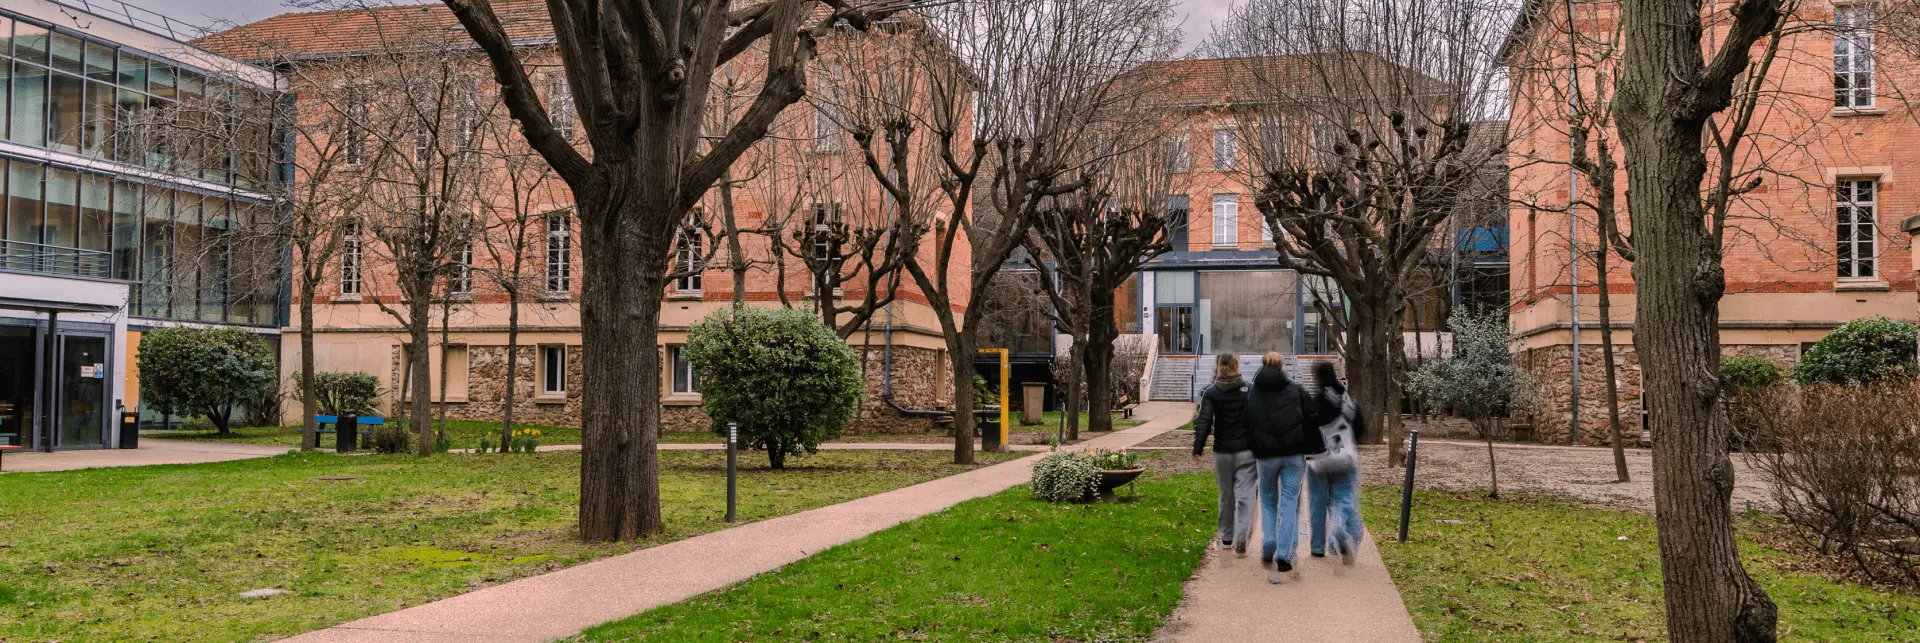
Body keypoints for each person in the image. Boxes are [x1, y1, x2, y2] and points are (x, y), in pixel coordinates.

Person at [1245, 352, 1322, 582]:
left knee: (1268, 500)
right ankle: (1285, 555)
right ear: (1282, 367)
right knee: (1289, 503)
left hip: (1266, 455)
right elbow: (1312, 416)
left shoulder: (1254, 392)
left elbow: (1246, 420)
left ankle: (1269, 544)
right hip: (1293, 454)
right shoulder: (1296, 390)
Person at [1193, 353, 1255, 557]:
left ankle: (1226, 538)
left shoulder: (1212, 392)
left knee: (1226, 494)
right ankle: (1241, 538)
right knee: (1245, 495)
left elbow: (1204, 421)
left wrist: (1198, 447)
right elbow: (1257, 418)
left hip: (1222, 451)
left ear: (1219, 367)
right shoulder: (1248, 389)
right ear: (1237, 367)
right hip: (1246, 450)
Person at [1306, 361, 1367, 566]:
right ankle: (1338, 531)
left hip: (1319, 460)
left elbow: (1306, 429)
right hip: (1345, 458)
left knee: (1317, 502)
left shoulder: (1314, 402)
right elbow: (1360, 427)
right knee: (1343, 499)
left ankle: (1317, 547)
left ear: (1316, 378)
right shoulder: (1346, 399)